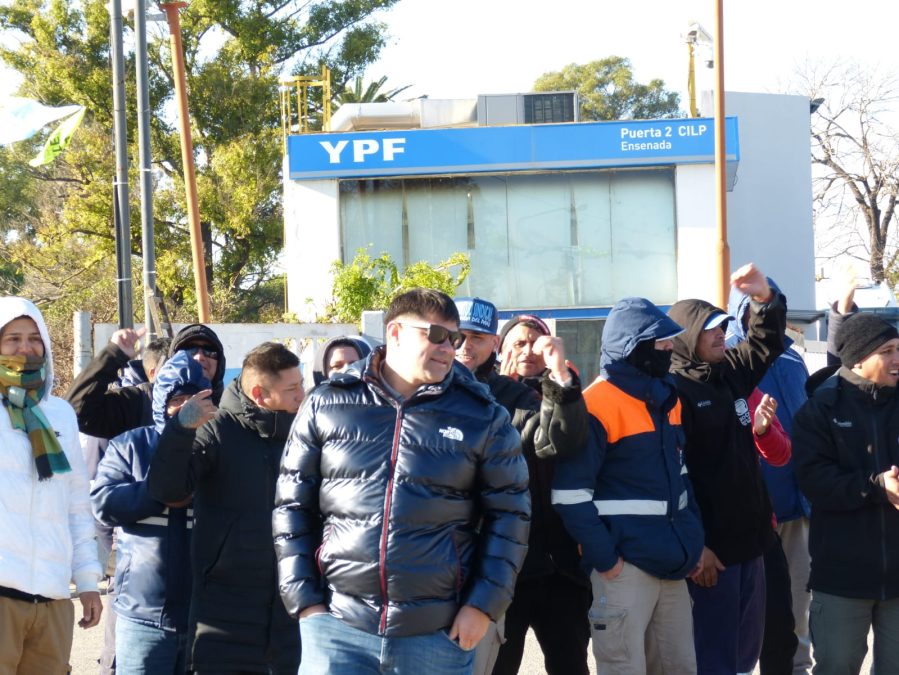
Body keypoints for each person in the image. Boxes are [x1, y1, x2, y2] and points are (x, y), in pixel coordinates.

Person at [274, 288, 531, 675]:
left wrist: (482, 606)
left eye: (455, 338)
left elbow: (511, 516)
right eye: (437, 335)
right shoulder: (326, 403)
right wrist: (306, 604)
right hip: (337, 630)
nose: (449, 348)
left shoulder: (483, 416)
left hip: (437, 635)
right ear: (394, 332)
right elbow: (292, 508)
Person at [552, 297, 704, 674]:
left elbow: (682, 479)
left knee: (681, 669)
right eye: (660, 341)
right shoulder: (595, 403)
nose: (669, 347)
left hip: (674, 563)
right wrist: (607, 561)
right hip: (623, 568)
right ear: (632, 346)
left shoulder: (666, 398)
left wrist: (692, 542)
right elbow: (569, 496)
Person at [148, 342, 306, 675]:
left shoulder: (306, 433)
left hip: (293, 610)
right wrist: (180, 430)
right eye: (292, 388)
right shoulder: (215, 429)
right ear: (259, 394)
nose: (301, 395)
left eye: (301, 384)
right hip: (223, 613)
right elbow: (167, 490)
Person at [453, 297, 590, 675]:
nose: (466, 345)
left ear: (492, 344)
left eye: (477, 337)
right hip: (494, 569)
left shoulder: (530, 397)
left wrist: (560, 377)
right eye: (458, 336)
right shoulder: (438, 395)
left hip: (556, 565)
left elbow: (562, 439)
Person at [667, 263, 786, 675]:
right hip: (711, 558)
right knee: (712, 661)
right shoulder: (672, 392)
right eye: (710, 329)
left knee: (743, 659)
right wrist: (695, 545)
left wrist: (764, 299)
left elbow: (766, 341)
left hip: (753, 545)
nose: (721, 334)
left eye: (722, 326)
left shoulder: (729, 372)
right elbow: (672, 478)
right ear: (686, 336)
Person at [92, 352, 215, 675]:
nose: (186, 409)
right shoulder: (131, 444)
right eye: (177, 401)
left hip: (207, 619)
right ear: (161, 402)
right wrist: (155, 495)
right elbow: (103, 504)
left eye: (194, 400)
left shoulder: (218, 448)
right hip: (142, 617)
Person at [0, 297, 104, 675]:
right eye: (12, 339)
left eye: (34, 339)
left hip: (52, 599)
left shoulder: (60, 414)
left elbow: (76, 504)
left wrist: (87, 580)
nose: (25, 348)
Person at [792, 312, 899, 675]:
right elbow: (814, 482)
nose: (897, 358)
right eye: (887, 351)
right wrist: (877, 486)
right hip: (842, 578)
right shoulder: (819, 410)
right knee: (836, 667)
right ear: (858, 358)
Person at [727, 279, 811, 675]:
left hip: (796, 504)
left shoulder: (793, 358)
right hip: (749, 514)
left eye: (769, 306)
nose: (762, 315)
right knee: (744, 617)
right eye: (754, 306)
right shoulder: (728, 360)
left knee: (793, 610)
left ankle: (795, 669)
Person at [79, 336, 171, 675]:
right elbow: (95, 492)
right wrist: (114, 557)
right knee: (121, 653)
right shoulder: (124, 410)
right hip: (128, 562)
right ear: (154, 373)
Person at [67, 323, 226, 440]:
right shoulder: (140, 401)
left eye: (210, 352)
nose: (199, 357)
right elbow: (77, 412)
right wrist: (113, 355)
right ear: (171, 359)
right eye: (189, 350)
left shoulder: (228, 410)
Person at [497, 314, 552, 385]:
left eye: (537, 345)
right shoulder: (485, 386)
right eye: (519, 344)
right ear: (501, 352)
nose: (528, 352)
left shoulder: (561, 383)